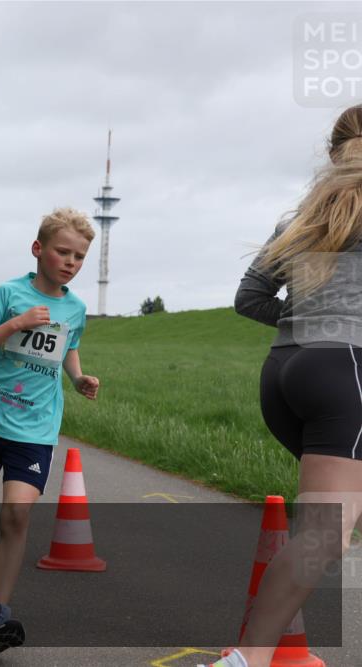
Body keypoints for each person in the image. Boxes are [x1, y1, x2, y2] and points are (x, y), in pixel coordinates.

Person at [198, 106, 362, 667]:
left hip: (286, 373)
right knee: (324, 535)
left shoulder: (299, 218)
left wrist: (308, 325)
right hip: (347, 374)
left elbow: (249, 299)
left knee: (329, 522)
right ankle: (245, 660)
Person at [0, 207, 100, 653]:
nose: (70, 262)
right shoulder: (8, 294)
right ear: (38, 250)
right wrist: (16, 324)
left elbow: (68, 348)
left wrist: (78, 378)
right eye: (62, 252)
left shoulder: (75, 308)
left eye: (79, 256)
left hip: (35, 428)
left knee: (18, 513)